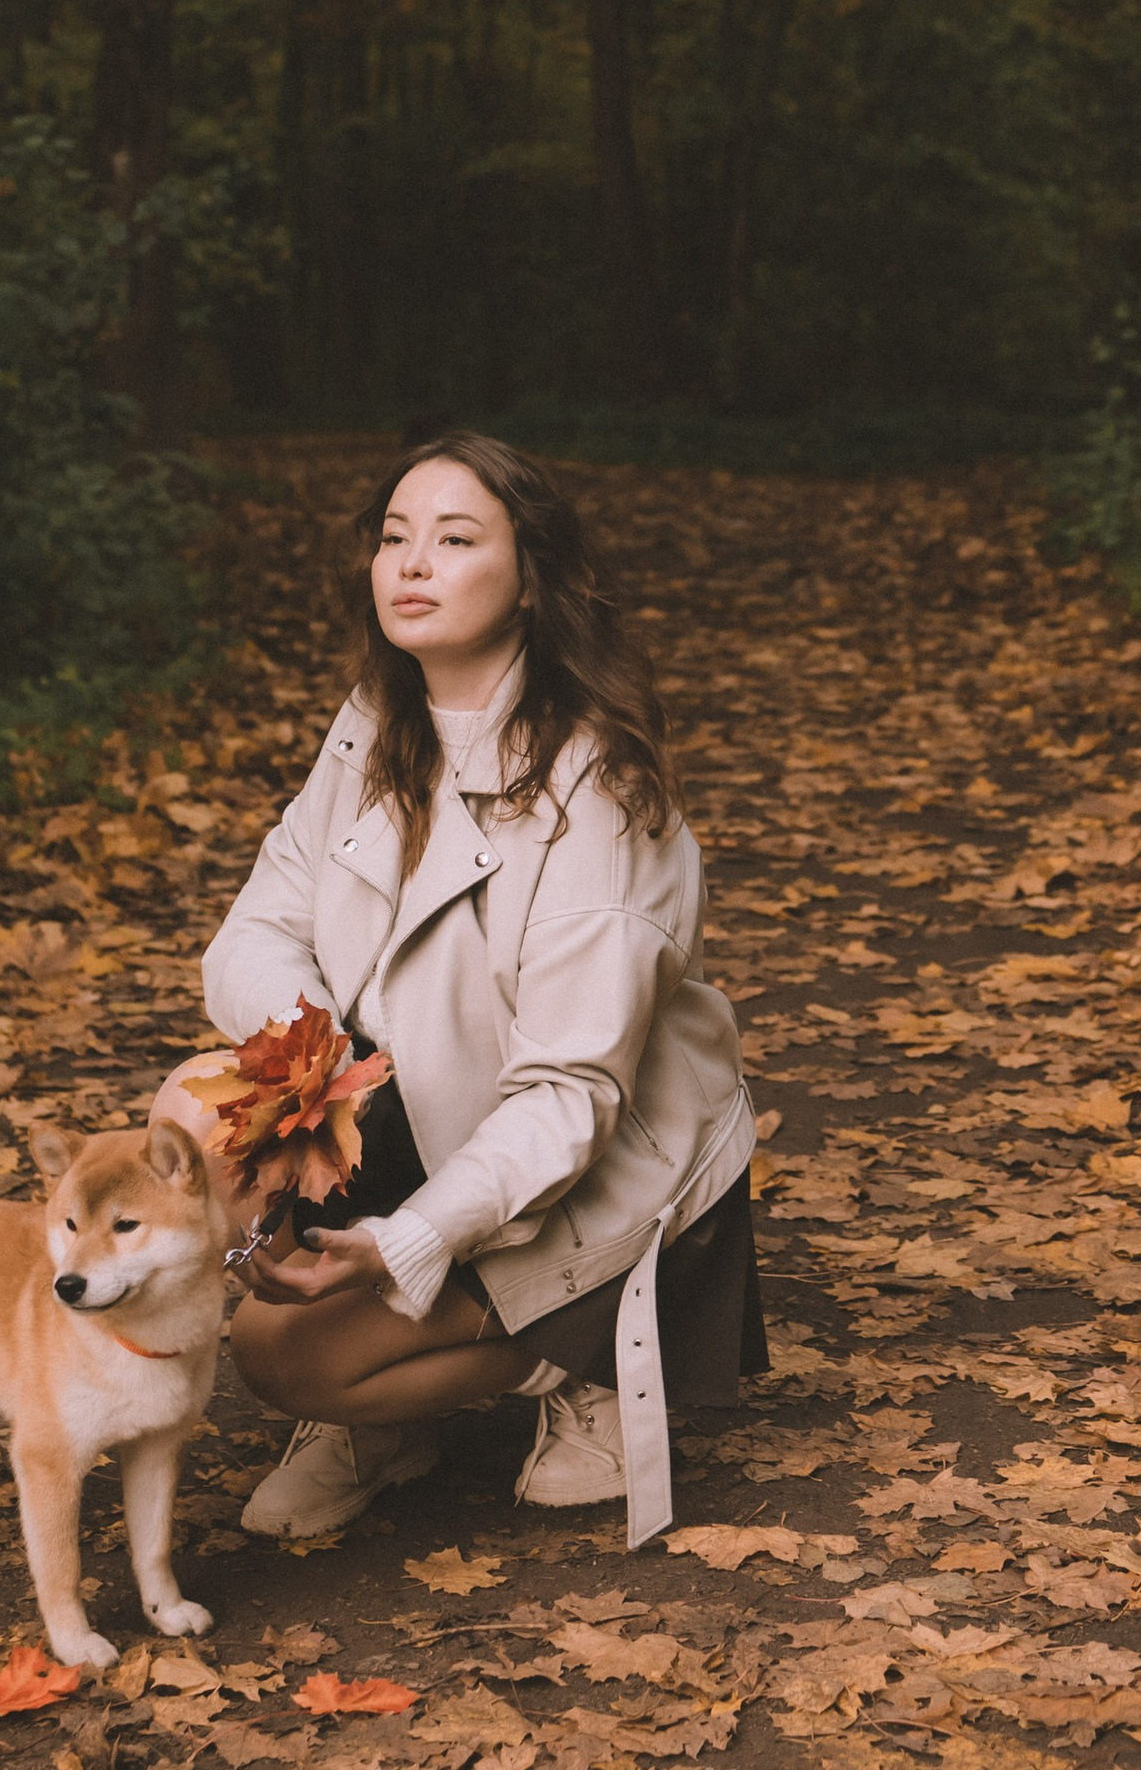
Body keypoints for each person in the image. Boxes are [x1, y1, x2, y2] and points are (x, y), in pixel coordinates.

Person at [202, 433, 762, 1547]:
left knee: (284, 1355)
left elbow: (569, 1098)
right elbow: (253, 933)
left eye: (455, 540)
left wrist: (410, 1238)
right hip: (415, 1114)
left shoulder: (595, 786)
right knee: (200, 1113)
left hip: (594, 1174)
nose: (412, 563)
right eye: (394, 538)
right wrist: (311, 1077)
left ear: (528, 579)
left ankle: (582, 1359)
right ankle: (391, 1417)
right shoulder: (376, 719)